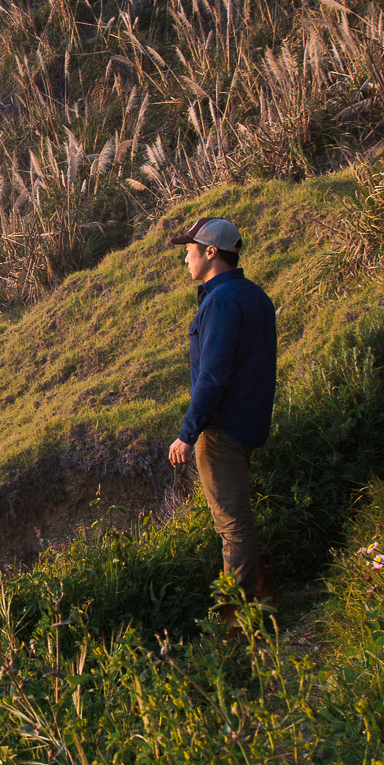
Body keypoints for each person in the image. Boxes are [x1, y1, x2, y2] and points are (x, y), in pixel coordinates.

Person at [164, 216, 278, 607]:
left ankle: (238, 624)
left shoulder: (221, 302)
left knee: (232, 526)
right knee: (238, 519)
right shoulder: (255, 296)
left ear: (212, 252)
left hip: (222, 431)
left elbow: (212, 377)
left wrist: (187, 432)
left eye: (189, 251)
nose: (186, 260)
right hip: (249, 423)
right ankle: (265, 600)